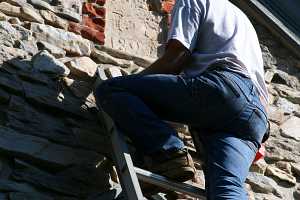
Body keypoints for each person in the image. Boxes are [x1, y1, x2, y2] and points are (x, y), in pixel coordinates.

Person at [95, 0, 269, 199]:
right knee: (226, 189)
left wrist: (136, 83)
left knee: (112, 89)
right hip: (256, 117)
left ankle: (170, 153)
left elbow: (176, 58)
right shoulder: (242, 19)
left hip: (225, 90)